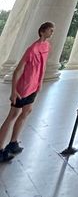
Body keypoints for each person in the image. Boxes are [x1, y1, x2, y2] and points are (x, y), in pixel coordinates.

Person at [0, 21, 54, 162]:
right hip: (23, 88)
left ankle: (13, 143)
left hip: (33, 87)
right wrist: (13, 91)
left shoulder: (47, 46)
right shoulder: (32, 49)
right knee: (12, 115)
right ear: (42, 31)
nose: (52, 32)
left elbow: (42, 66)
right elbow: (18, 71)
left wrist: (39, 83)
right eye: (50, 30)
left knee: (27, 111)